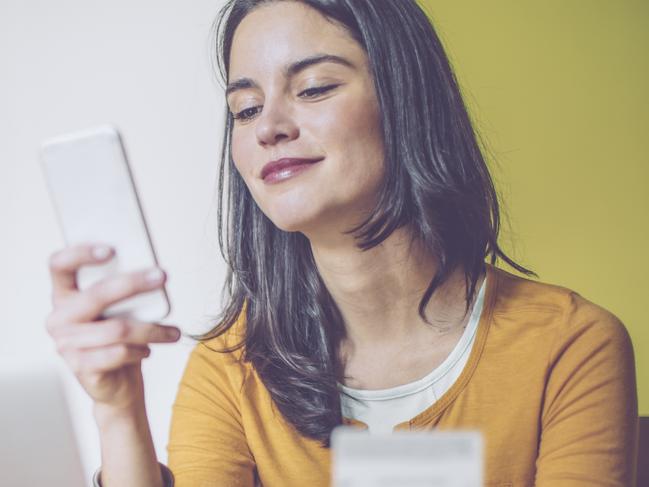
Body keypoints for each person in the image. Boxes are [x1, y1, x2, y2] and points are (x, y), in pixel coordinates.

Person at [45, 1, 639, 486]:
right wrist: (117, 411)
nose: (269, 126)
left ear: (405, 102)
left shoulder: (571, 346)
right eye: (245, 109)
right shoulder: (231, 366)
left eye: (315, 88)